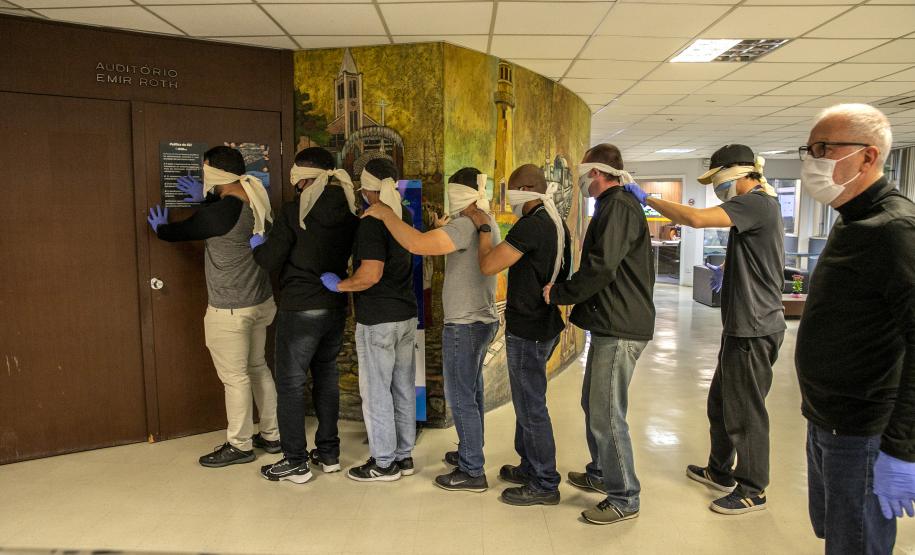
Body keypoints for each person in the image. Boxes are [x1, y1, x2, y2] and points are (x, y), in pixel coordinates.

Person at [625, 144, 786, 515]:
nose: (715, 186)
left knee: (746, 410)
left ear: (736, 174)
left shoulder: (757, 202)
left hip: (754, 327)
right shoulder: (757, 206)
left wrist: (646, 196)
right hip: (743, 324)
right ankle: (719, 470)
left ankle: (752, 489)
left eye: (716, 179)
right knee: (721, 403)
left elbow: (695, 220)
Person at [795, 104, 915, 553]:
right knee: (838, 536)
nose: (814, 160)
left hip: (864, 429)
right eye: (810, 149)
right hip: (826, 417)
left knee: (857, 545)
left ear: (868, 157)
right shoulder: (852, 220)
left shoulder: (895, 228)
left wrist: (902, 447)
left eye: (826, 148)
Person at [363, 167, 500, 492]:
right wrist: (443, 229)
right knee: (473, 392)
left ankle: (472, 470)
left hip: (465, 325)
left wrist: (385, 214)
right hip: (483, 320)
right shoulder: (483, 220)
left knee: (461, 397)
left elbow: (418, 244)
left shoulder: (466, 225)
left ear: (459, 193)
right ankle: (470, 452)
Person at [146, 145, 280, 468]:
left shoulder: (218, 213)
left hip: (230, 311)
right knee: (258, 367)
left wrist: (161, 228)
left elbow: (184, 231)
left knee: (235, 377)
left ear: (214, 175)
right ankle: (273, 435)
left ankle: (240, 444)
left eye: (204, 170)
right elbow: (218, 212)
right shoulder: (254, 199)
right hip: (260, 302)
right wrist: (205, 197)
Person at [542, 144, 655, 525]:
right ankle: (602, 471)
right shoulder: (612, 206)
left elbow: (601, 266)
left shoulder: (618, 207)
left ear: (598, 173)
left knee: (607, 414)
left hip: (621, 326)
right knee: (594, 405)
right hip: (611, 322)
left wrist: (560, 293)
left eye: (586, 176)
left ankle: (624, 495)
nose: (583, 183)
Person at [251, 147, 359, 484]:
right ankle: (328, 454)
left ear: (307, 176)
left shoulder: (293, 211)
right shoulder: (351, 210)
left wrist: (257, 244)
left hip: (300, 308)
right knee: (326, 377)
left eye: (298, 176)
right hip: (335, 304)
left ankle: (295, 460)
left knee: (291, 383)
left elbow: (269, 260)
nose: (295, 184)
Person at [474, 164, 571, 506]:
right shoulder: (555, 222)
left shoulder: (532, 226)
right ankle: (530, 465)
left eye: (512, 191)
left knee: (531, 406)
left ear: (526, 189)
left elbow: (488, 265)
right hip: (544, 324)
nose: (508, 198)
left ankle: (545, 482)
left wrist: (483, 226)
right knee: (528, 401)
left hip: (528, 329)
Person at [321, 158, 418, 482]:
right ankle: (403, 456)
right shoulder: (404, 215)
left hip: (378, 320)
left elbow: (370, 274)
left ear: (366, 188)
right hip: (405, 316)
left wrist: (340, 285)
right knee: (402, 388)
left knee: (377, 391)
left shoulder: (372, 222)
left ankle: (383, 462)